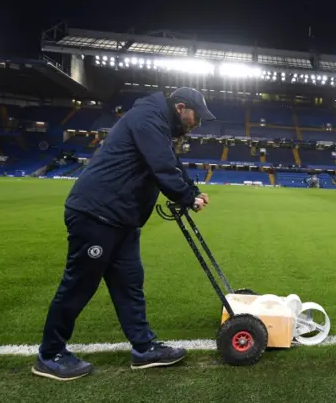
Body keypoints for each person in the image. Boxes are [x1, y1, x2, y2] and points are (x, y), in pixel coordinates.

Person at [32, 87, 216, 381]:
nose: (198, 123)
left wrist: (191, 191)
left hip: (122, 219)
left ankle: (144, 348)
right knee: (79, 285)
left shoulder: (158, 122)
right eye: (197, 117)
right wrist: (185, 197)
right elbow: (161, 165)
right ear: (181, 107)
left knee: (130, 284)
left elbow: (171, 162)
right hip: (97, 214)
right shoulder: (148, 117)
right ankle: (50, 353)